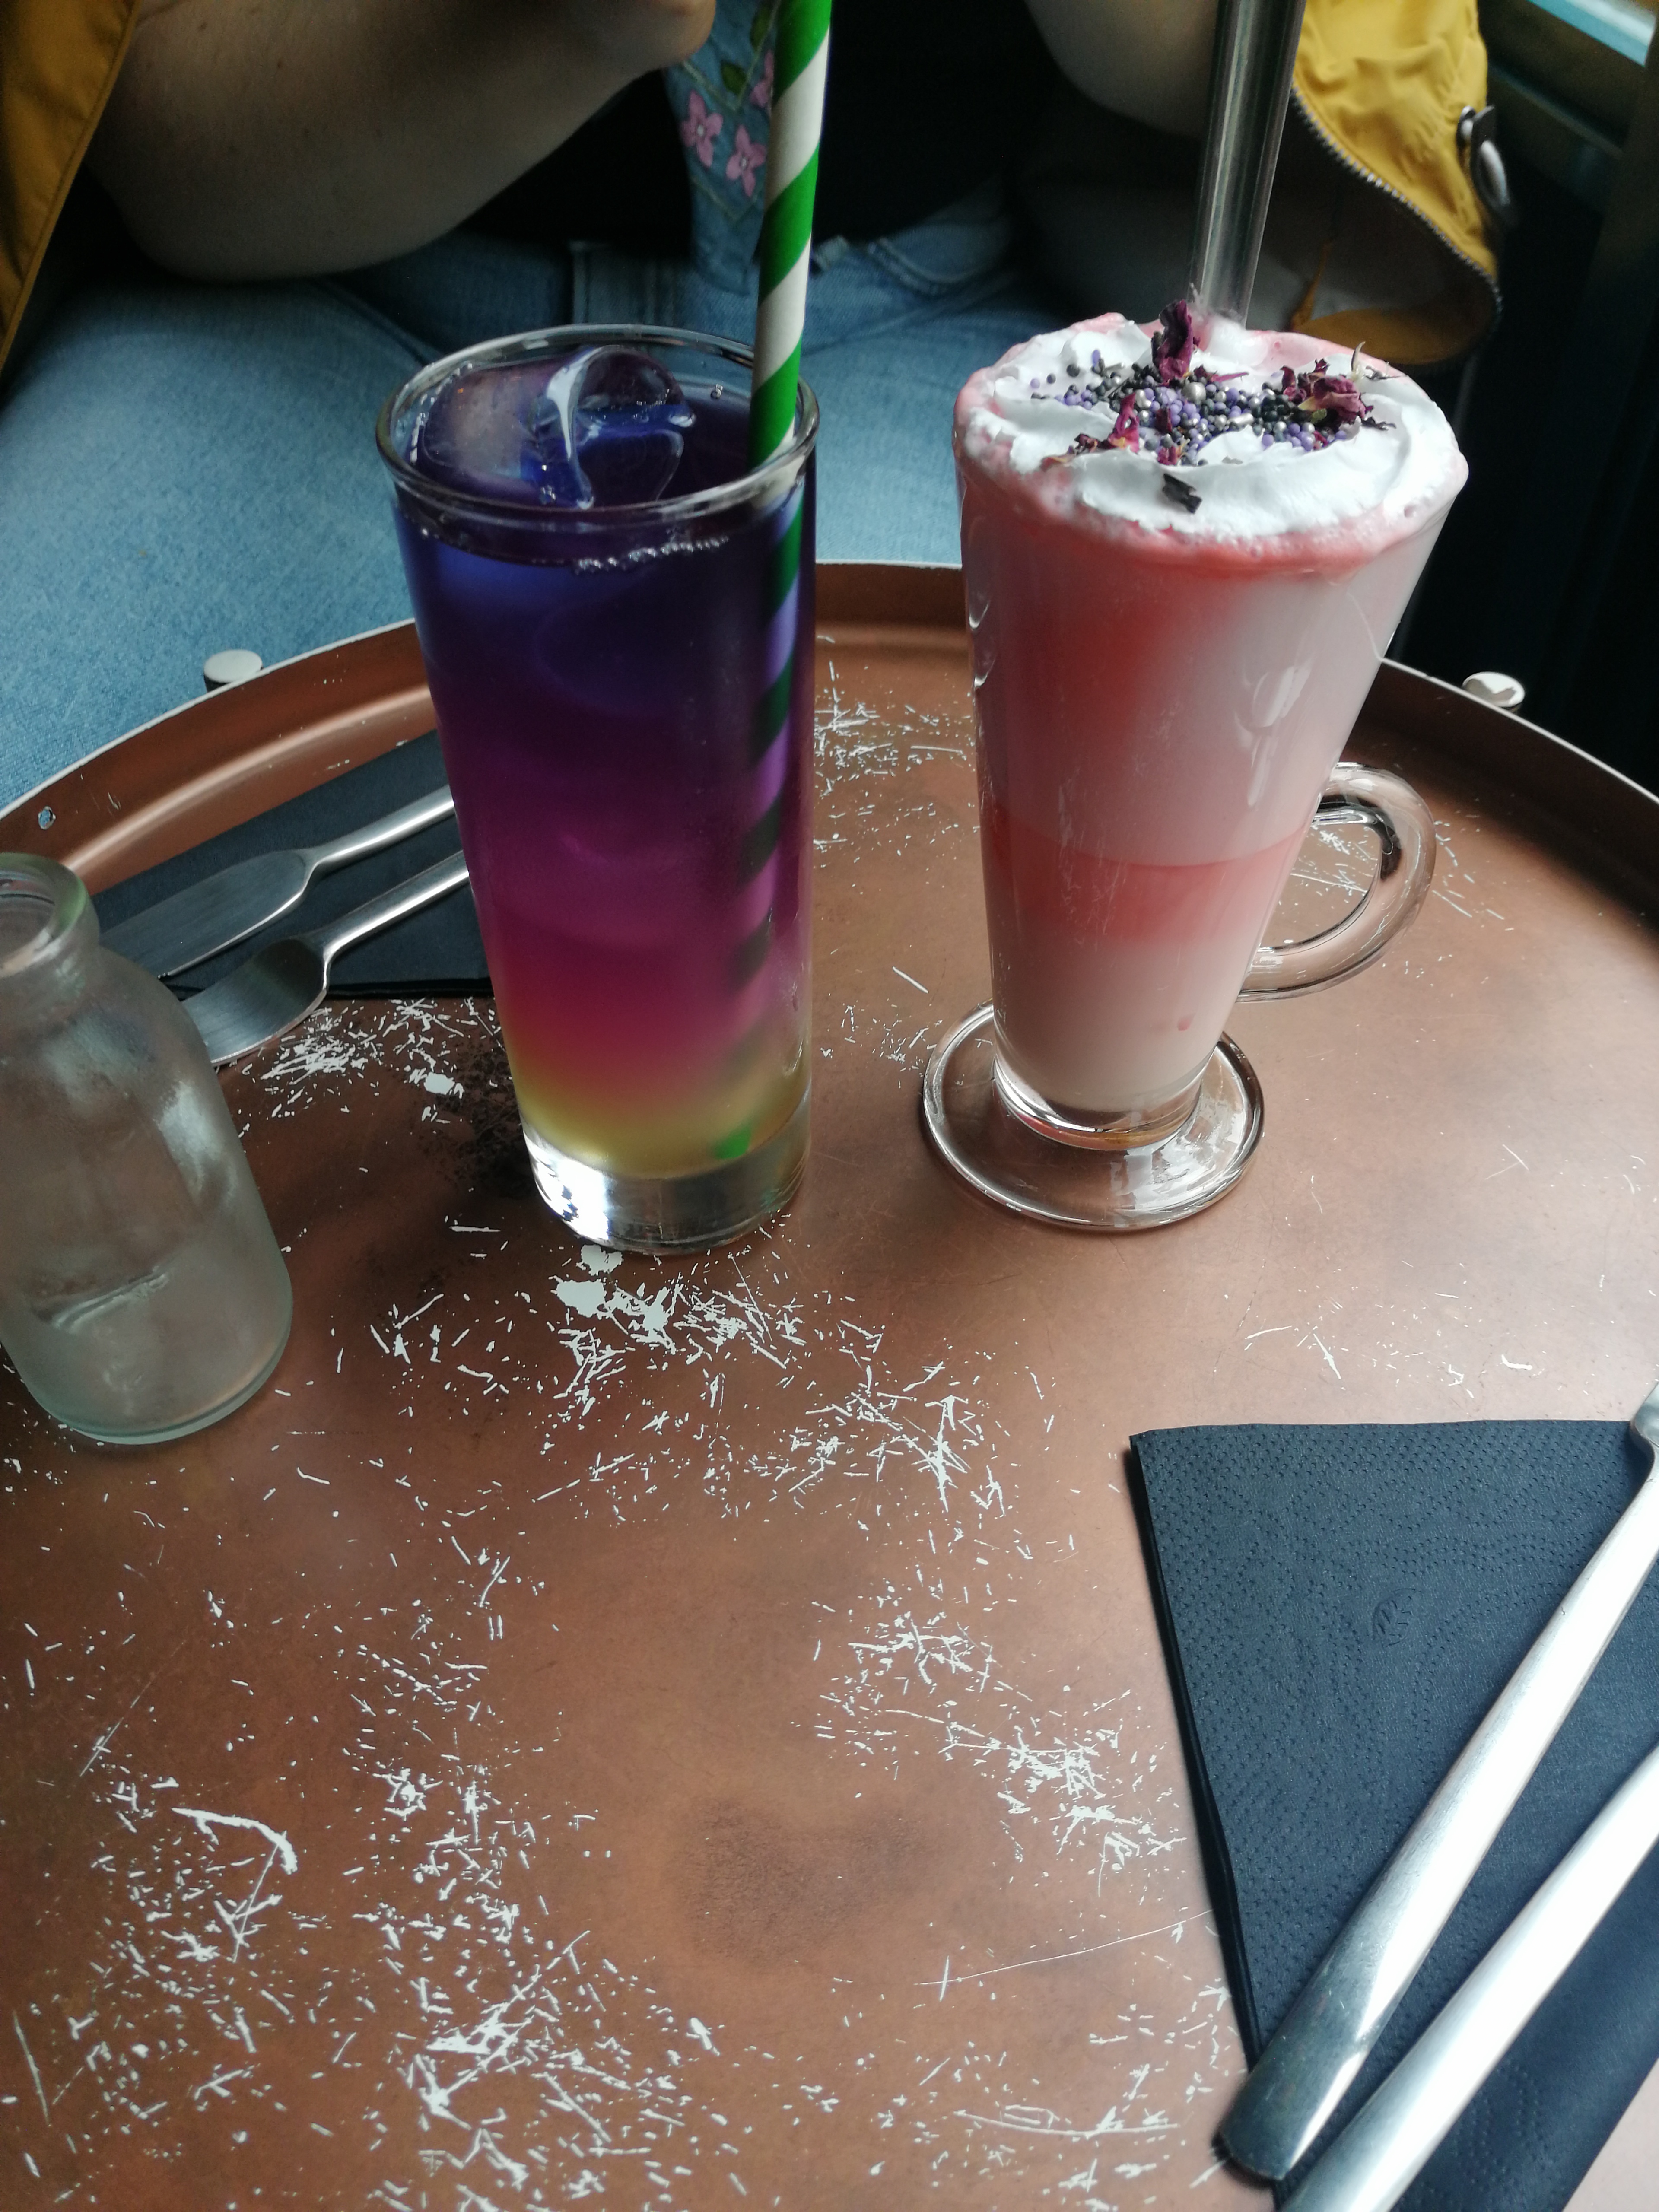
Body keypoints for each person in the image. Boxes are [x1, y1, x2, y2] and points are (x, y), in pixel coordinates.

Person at [0, 0, 1499, 805]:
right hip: (315, 305)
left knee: (908, 911)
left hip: (922, 328)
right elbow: (174, 161)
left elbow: (1230, 80)